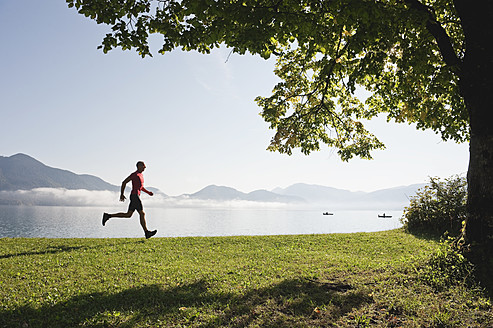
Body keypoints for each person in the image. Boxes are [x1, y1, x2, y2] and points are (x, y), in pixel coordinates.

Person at [102, 161, 157, 239]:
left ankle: (108, 216)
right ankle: (147, 232)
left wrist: (148, 192)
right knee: (142, 213)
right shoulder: (134, 175)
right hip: (134, 196)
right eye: (143, 166)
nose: (145, 167)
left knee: (128, 215)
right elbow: (124, 182)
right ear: (139, 166)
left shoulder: (141, 175)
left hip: (135, 196)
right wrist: (121, 194)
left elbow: (140, 187)